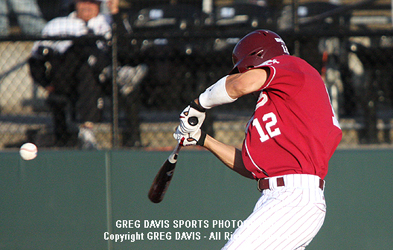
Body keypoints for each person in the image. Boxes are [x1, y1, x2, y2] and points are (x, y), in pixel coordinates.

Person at [173, 30, 342, 249]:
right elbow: (250, 166)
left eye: (245, 69)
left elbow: (240, 85)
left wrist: (199, 104)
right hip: (280, 198)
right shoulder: (279, 107)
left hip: (293, 197)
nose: (243, 74)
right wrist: (202, 138)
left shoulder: (291, 65)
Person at [28, 0, 147, 147]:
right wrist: (46, 84)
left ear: (99, 5)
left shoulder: (109, 20)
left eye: (92, 2)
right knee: (82, 52)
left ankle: (129, 139)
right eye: (83, 1)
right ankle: (115, 75)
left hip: (102, 80)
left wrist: (115, 12)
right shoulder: (57, 24)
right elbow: (36, 59)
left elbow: (129, 48)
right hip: (68, 78)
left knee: (94, 66)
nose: (87, 6)